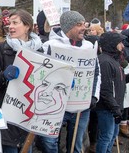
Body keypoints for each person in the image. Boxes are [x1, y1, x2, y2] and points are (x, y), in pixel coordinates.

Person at [37, 11, 101, 153]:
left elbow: (96, 72)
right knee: (50, 141)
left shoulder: (88, 47)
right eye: (79, 24)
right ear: (68, 27)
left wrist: (93, 96)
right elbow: (40, 72)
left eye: (84, 24)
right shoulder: (50, 46)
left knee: (76, 145)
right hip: (56, 104)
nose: (84, 27)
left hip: (81, 106)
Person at [0, 9, 42, 153]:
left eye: (15, 23)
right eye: (9, 23)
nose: (10, 26)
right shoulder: (1, 49)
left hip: (28, 115)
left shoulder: (40, 51)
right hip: (7, 114)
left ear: (27, 26)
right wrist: (4, 76)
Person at [95, 32, 126, 153]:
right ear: (112, 44)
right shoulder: (105, 62)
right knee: (106, 136)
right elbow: (105, 89)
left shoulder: (113, 60)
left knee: (112, 136)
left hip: (115, 107)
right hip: (107, 107)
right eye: (119, 43)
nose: (122, 46)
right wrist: (114, 108)